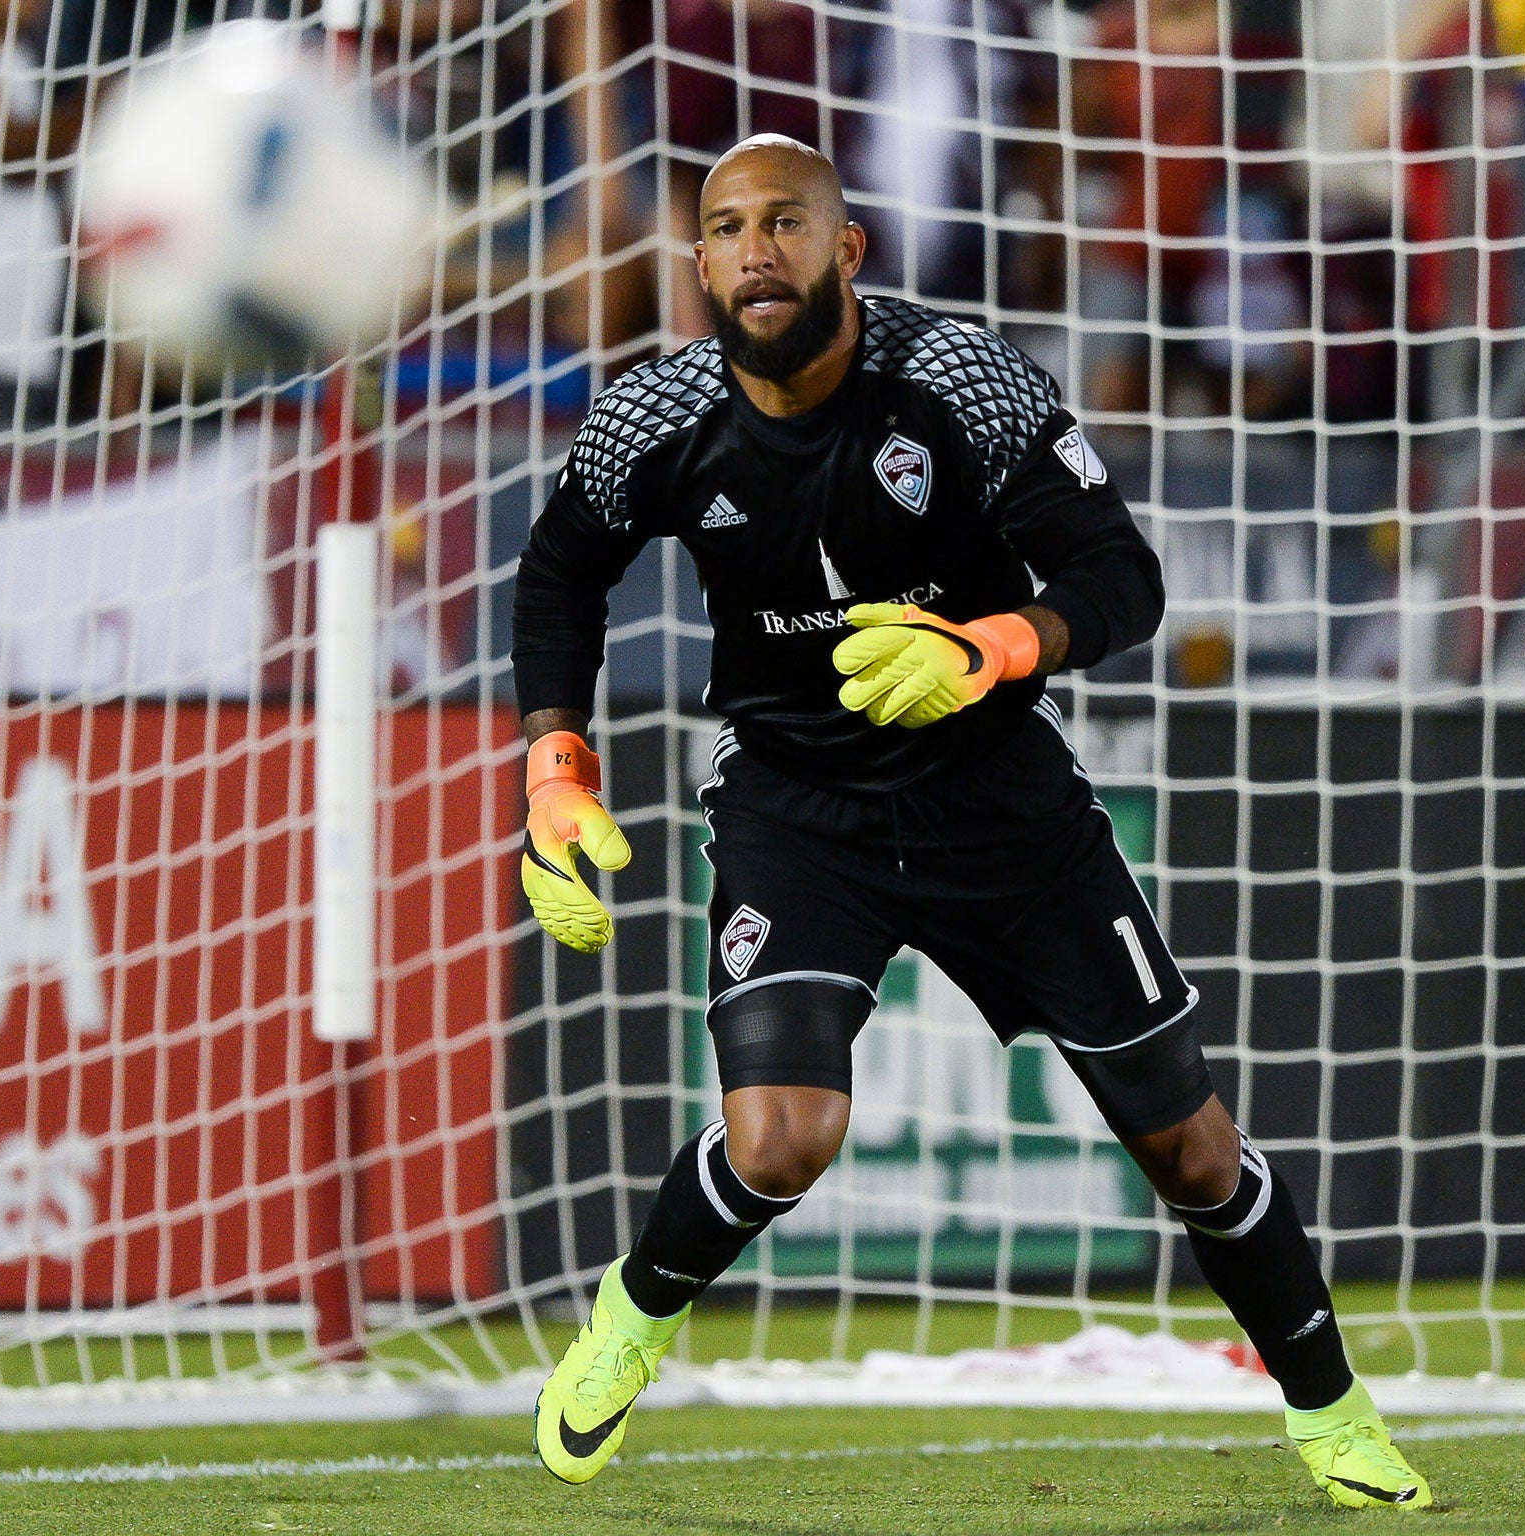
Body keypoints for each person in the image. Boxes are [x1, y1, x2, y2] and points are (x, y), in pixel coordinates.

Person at [510, 134, 1433, 1511]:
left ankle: (1334, 1414)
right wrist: (555, 771)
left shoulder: (961, 381)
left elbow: (1122, 578)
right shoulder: (657, 418)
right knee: (778, 1139)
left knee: (1189, 1149)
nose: (757, 248)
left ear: (847, 249)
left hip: (1003, 805)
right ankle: (627, 1325)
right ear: (698, 262)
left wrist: (991, 646)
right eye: (727, 227)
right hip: (796, 808)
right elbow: (559, 574)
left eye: (786, 222)